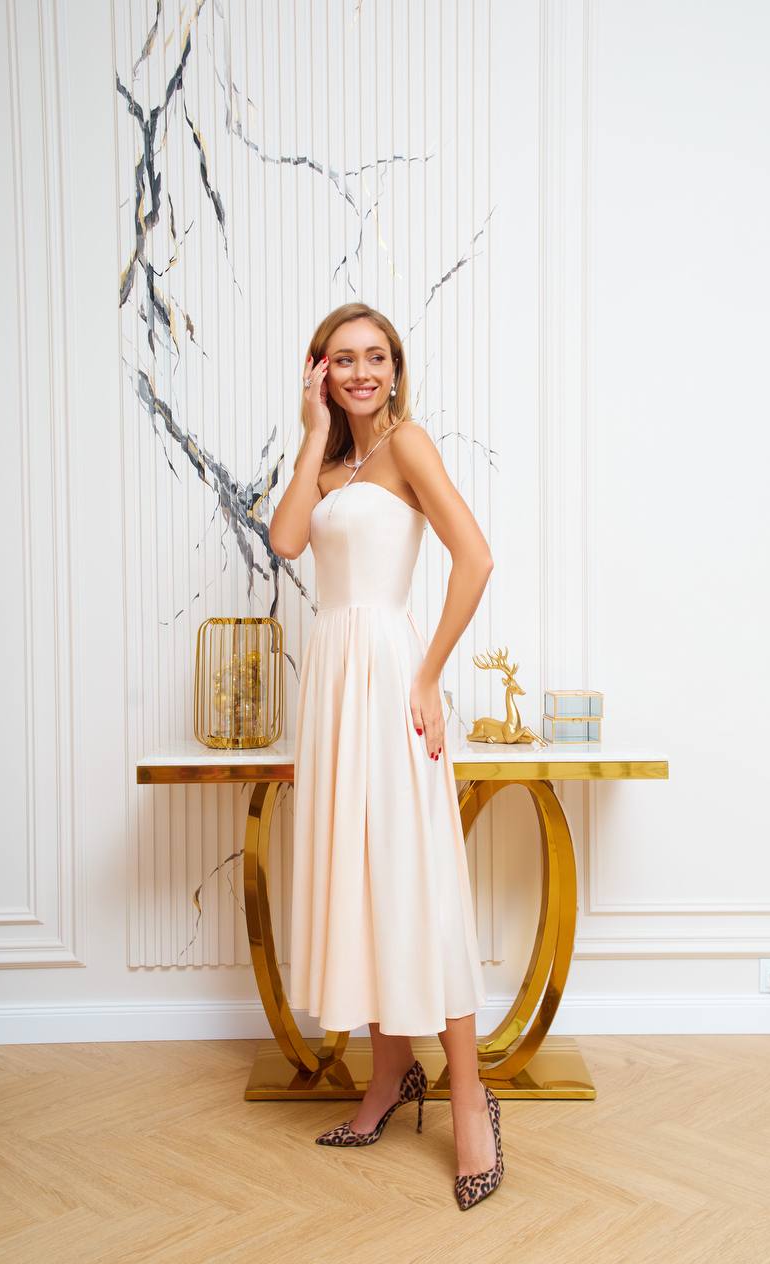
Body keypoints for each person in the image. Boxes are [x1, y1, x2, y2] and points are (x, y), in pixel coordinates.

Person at [269, 302, 503, 1210]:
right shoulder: (329, 463)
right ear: (319, 369)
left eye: (375, 358)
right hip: (331, 686)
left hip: (391, 677)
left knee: (414, 878)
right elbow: (287, 540)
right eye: (342, 359)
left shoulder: (409, 447)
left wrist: (429, 675)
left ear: (395, 369)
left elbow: (474, 559)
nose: (361, 371)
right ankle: (386, 1078)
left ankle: (470, 1101)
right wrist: (311, 433)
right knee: (356, 876)